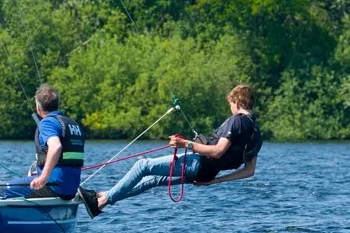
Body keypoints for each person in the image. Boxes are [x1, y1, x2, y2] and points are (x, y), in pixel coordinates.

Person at [84, 84, 259, 216]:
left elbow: (218, 151)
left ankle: (101, 202)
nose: (230, 108)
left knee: (142, 166)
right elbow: (249, 171)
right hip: (207, 173)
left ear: (236, 102)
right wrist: (214, 181)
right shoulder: (256, 132)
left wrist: (186, 144)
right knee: (153, 180)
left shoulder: (237, 120)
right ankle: (100, 197)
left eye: (230, 104)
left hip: (199, 164)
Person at [4, 84, 86, 201]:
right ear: (57, 104)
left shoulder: (47, 123)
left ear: (38, 107)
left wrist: (43, 177)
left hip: (53, 186)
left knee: (0, 191)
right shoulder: (74, 125)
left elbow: (56, 147)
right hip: (71, 188)